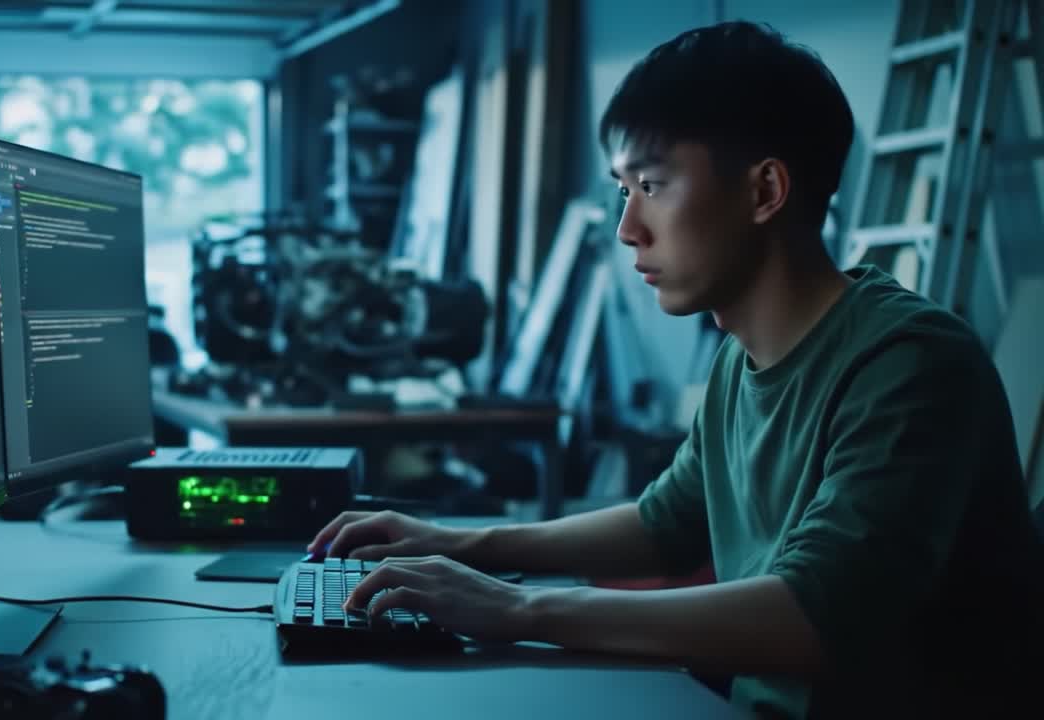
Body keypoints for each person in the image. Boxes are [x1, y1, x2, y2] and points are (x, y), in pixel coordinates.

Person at [307, 20, 1044, 720]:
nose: (627, 228)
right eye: (622, 191)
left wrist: (517, 608)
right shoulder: (741, 360)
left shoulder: (910, 364)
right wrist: (461, 544)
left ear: (764, 191)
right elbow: (666, 526)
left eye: (651, 186)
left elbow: (814, 617)